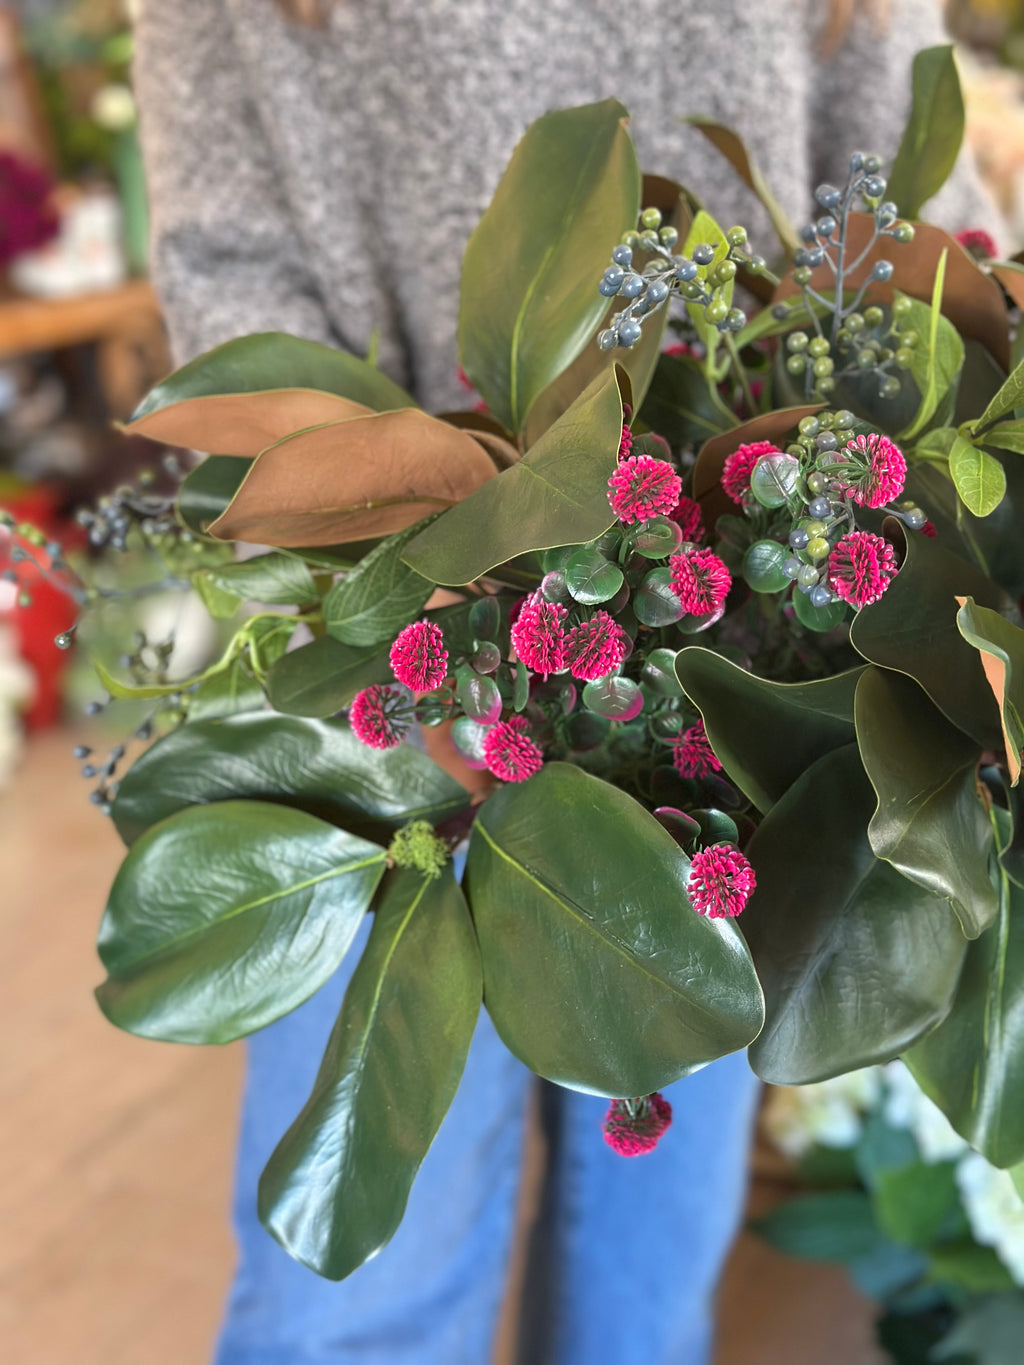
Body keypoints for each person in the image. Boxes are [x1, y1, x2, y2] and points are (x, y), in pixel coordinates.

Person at [131, 2, 997, 1362]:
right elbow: (232, 285)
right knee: (360, 1305)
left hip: (728, 709)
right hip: (392, 683)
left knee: (646, 1284)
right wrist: (421, 592)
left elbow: (912, 226)